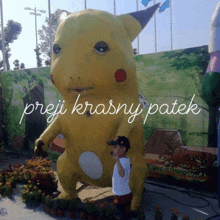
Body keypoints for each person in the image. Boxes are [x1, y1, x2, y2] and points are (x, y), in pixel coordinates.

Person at [107, 136, 133, 220]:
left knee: (123, 215)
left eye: (115, 147)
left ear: (123, 149)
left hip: (122, 195)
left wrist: (117, 160)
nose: (112, 149)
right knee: (122, 214)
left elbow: (121, 174)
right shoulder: (125, 159)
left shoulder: (122, 161)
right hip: (121, 193)